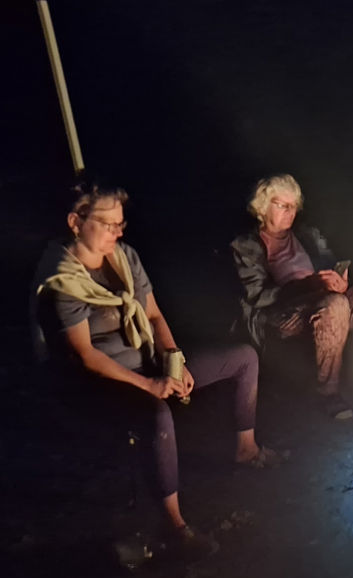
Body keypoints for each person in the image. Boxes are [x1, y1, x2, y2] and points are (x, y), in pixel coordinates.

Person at [31, 178, 274, 549]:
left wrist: (175, 363)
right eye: (107, 224)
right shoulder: (64, 281)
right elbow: (85, 355)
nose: (116, 232)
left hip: (147, 361)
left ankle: (247, 449)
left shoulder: (124, 258)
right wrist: (149, 386)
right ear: (75, 222)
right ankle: (173, 526)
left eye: (120, 224)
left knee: (243, 358)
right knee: (156, 414)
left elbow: (155, 316)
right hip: (98, 381)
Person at [230, 174, 353, 416]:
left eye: (294, 206)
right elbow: (257, 296)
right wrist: (309, 285)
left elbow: (328, 264)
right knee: (335, 304)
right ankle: (327, 393)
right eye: (283, 205)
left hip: (321, 297)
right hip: (280, 312)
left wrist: (338, 280)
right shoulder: (245, 245)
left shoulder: (307, 235)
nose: (291, 211)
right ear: (262, 206)